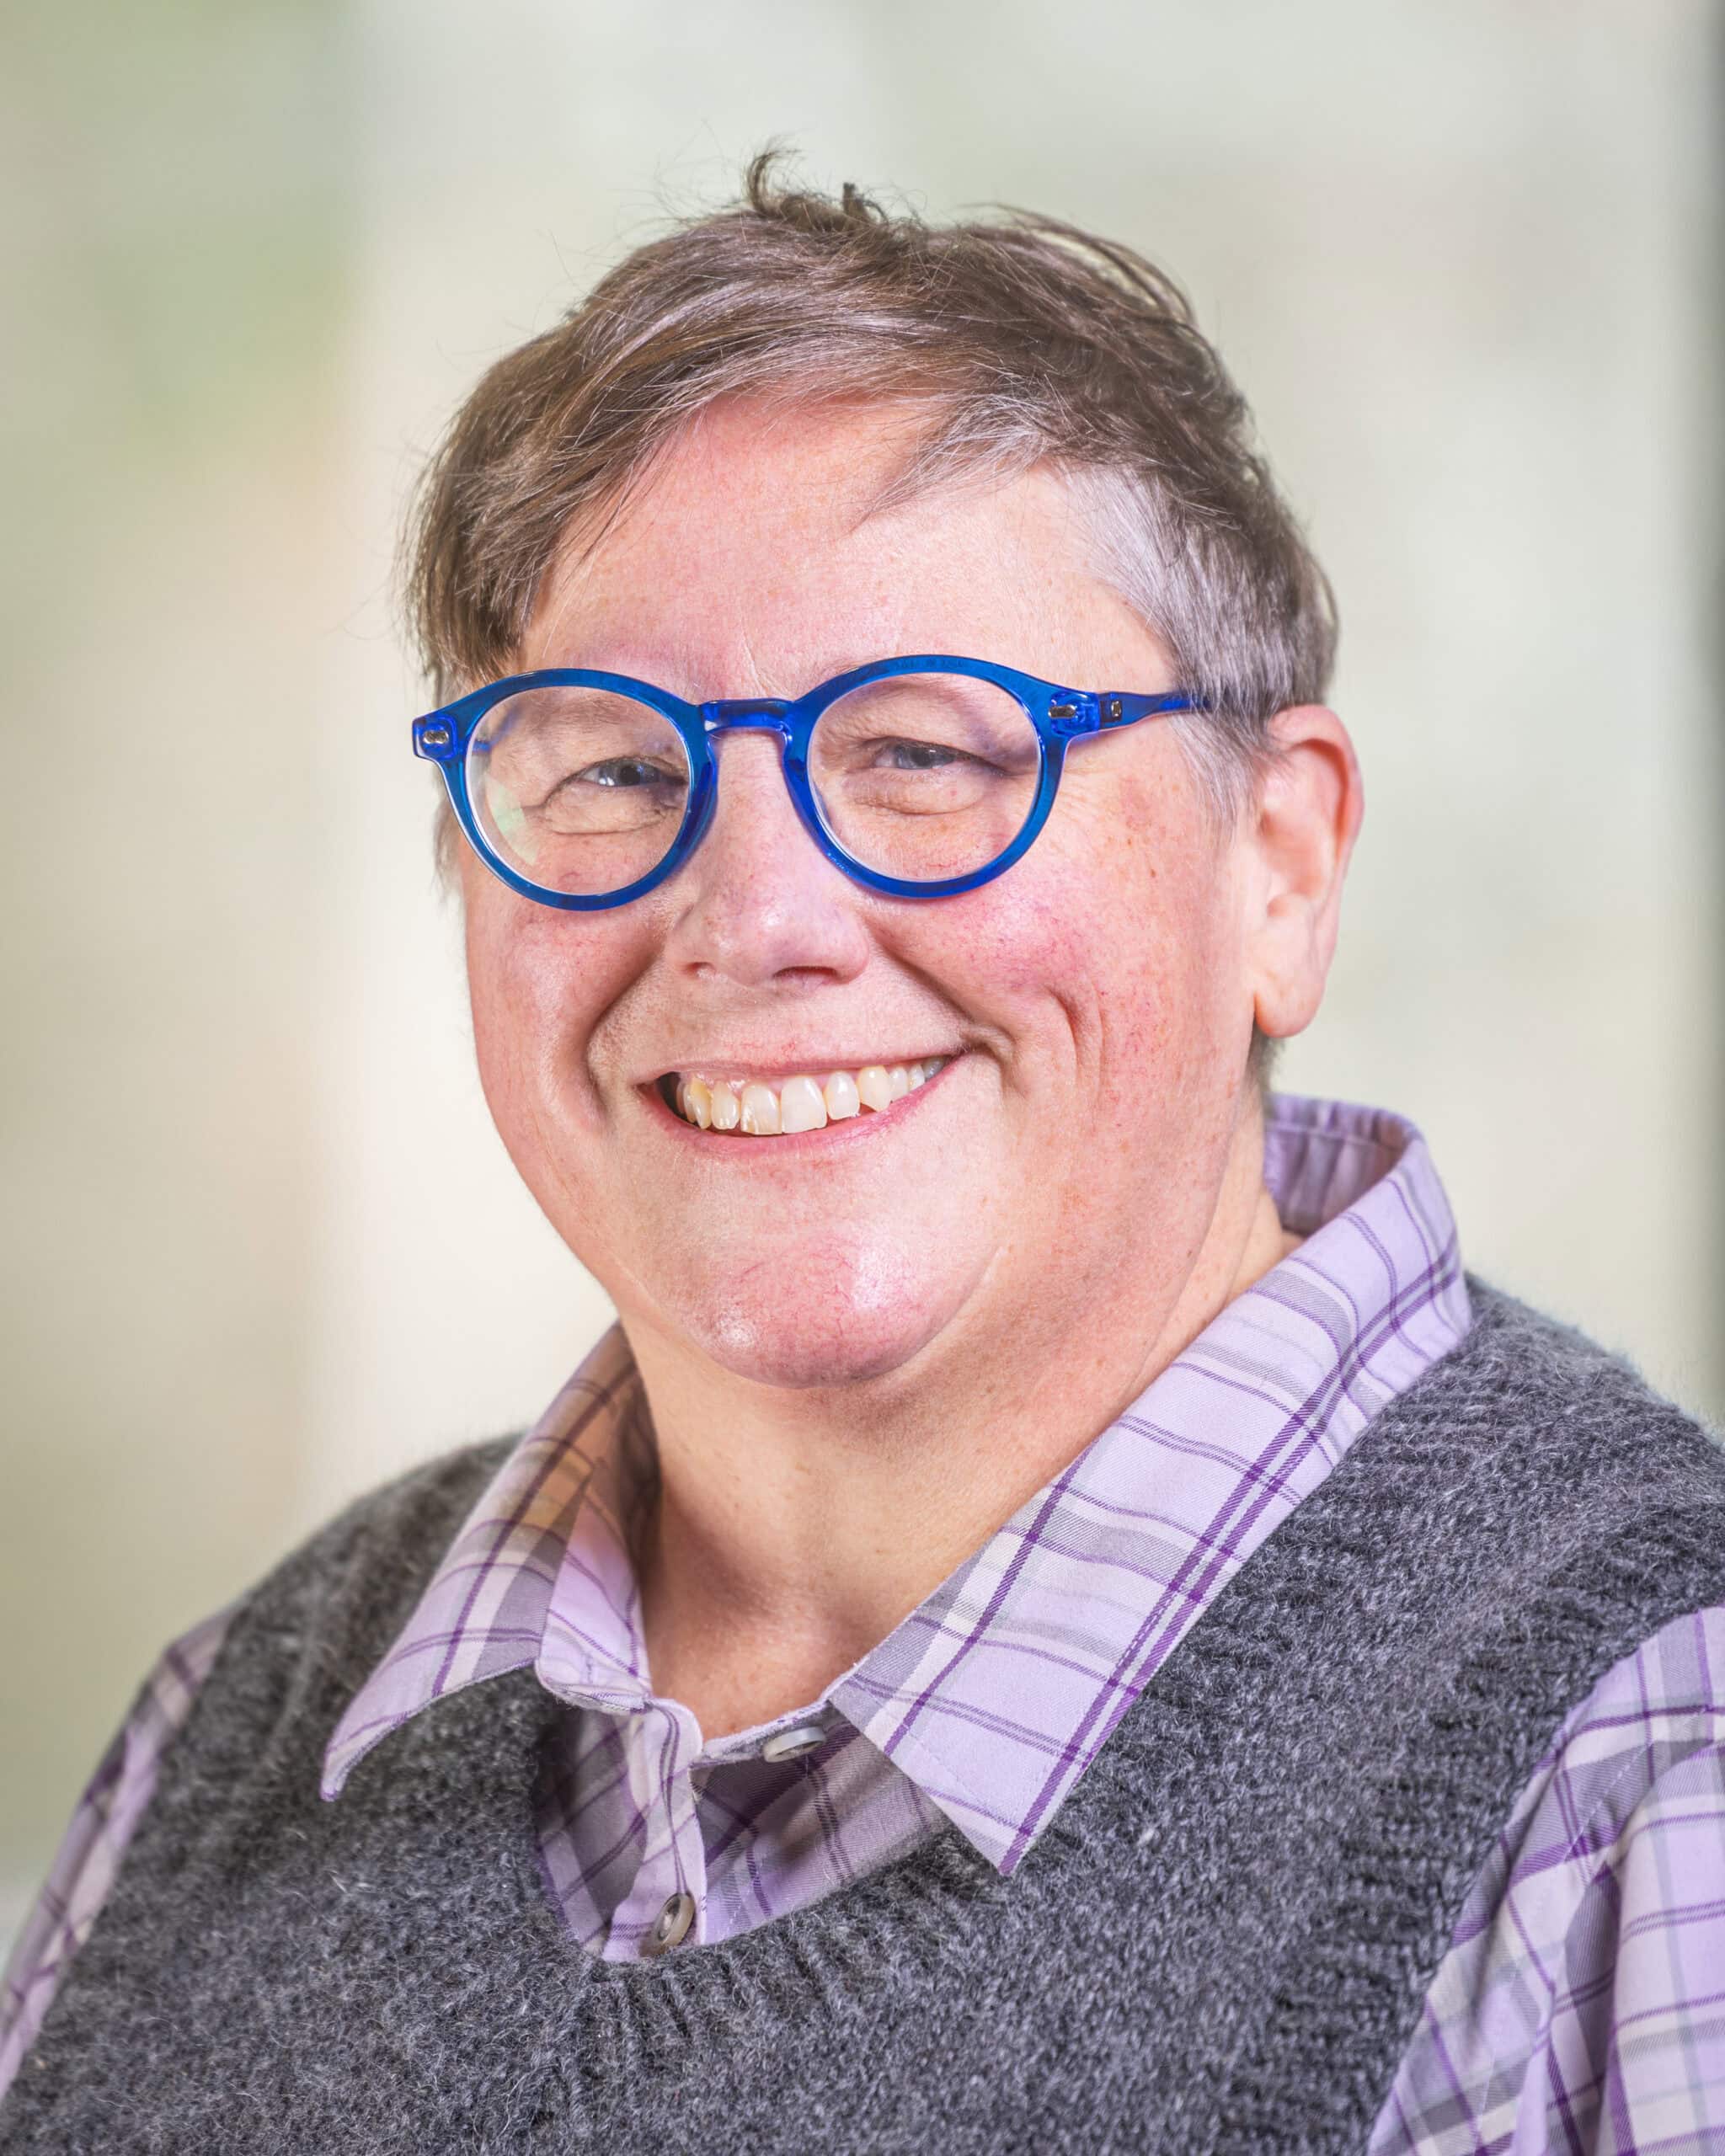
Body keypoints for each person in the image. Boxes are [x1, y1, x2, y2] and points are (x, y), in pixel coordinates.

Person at [3, 157, 1723, 2156]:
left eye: (923, 749)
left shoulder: (1649, 1776)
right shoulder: (235, 1727)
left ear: (1281, 864)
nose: (753, 917)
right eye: (618, 767)